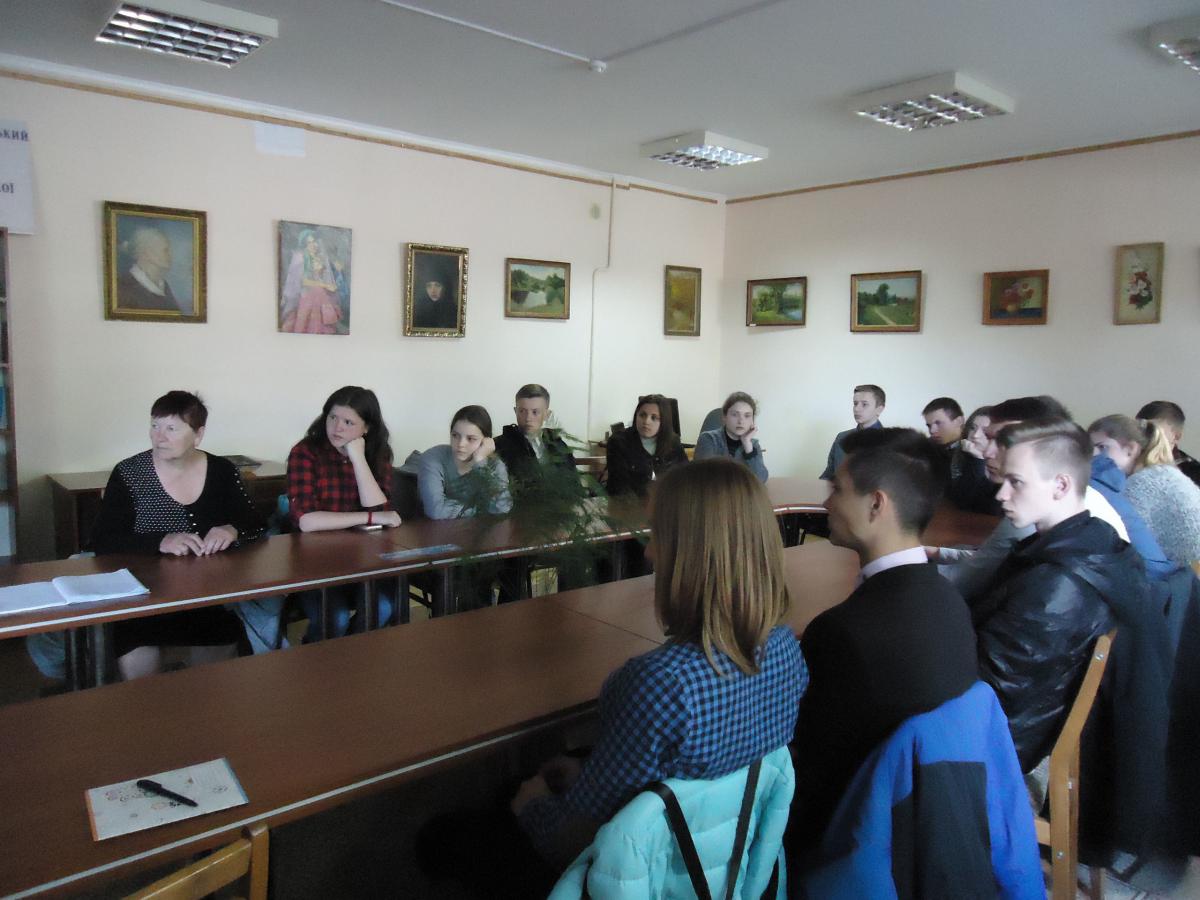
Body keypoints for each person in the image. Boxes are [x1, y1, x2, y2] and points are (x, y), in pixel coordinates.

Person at [515, 459, 807, 870]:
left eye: (657, 535)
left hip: (646, 874)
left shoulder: (660, 685)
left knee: (452, 832)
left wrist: (530, 804)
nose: (649, 552)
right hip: (730, 865)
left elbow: (573, 839)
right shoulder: (786, 650)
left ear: (693, 552)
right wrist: (590, 769)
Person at [787, 427, 978, 852]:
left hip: (851, 840)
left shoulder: (843, 632)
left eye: (837, 489)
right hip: (922, 826)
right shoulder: (950, 601)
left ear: (876, 504)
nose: (826, 504)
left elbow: (808, 764)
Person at [973, 418, 1145, 772]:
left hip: (1003, 745)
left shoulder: (1057, 585)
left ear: (1061, 485)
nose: (1001, 494)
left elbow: (991, 693)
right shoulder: (1094, 540)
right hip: (1022, 725)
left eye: (1015, 482)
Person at [89, 391, 272, 679]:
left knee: (218, 665)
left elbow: (255, 523)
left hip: (206, 597)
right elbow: (103, 540)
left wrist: (232, 529)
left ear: (198, 435)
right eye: (155, 426)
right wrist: (160, 541)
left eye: (171, 428)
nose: (159, 437)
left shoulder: (222, 471)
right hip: (144, 599)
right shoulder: (129, 473)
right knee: (140, 671)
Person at [930, 395, 1167, 598]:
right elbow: (995, 560)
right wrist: (936, 552)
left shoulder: (1044, 503)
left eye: (1002, 440)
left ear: (1043, 440)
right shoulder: (1077, 486)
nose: (988, 451)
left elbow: (964, 582)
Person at [287, 385, 401, 640]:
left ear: (366, 428)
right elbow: (307, 520)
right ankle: (318, 657)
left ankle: (350, 655)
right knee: (335, 619)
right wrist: (369, 518)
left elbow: (379, 509)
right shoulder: (305, 452)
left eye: (348, 422)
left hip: (364, 558)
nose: (337, 428)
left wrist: (358, 458)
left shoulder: (377, 453)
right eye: (332, 417)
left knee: (383, 608)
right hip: (315, 560)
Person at [1089, 414, 1200, 569]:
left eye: (1102, 447)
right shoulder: (1162, 473)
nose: (1094, 456)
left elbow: (1125, 539)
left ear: (1131, 449)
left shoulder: (1142, 484)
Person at [493, 383, 581, 508]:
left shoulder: (557, 444)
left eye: (535, 412)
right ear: (515, 411)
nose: (528, 418)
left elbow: (574, 484)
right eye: (522, 411)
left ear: (547, 414)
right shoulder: (500, 445)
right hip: (520, 512)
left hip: (560, 511)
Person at [418, 405, 513, 519]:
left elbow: (502, 507)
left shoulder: (495, 466)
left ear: (486, 441)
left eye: (471, 439)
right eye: (455, 436)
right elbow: (436, 510)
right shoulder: (433, 458)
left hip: (479, 529)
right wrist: (481, 509)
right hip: (434, 528)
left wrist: (480, 462)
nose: (461, 444)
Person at [604, 394, 687, 497]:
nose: (646, 421)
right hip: (627, 503)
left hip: (666, 501)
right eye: (642, 415)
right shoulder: (619, 442)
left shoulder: (673, 442)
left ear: (664, 421)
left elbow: (685, 477)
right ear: (636, 416)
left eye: (654, 418)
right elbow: (620, 487)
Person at [279, 229, 346, 334]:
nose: (313, 245)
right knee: (317, 291)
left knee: (320, 292)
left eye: (314, 241)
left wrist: (336, 269)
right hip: (307, 293)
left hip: (319, 292)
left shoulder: (320, 257)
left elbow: (326, 275)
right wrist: (325, 285)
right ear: (304, 245)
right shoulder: (301, 258)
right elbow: (304, 281)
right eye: (309, 243)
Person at [694, 391, 768, 482]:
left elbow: (761, 479)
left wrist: (747, 446)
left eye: (747, 416)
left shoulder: (753, 444)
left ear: (752, 421)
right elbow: (703, 477)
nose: (741, 421)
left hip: (742, 491)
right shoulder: (708, 439)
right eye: (735, 415)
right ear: (724, 417)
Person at [819, 384, 885, 480]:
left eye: (864, 404)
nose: (857, 409)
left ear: (879, 409)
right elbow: (829, 474)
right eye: (855, 403)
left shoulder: (890, 442)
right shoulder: (841, 437)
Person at [116, 226, 185, 313]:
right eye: (165, 250)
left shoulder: (163, 286)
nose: (170, 255)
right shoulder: (124, 287)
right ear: (146, 253)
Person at [947, 405, 1001, 514]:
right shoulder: (960, 454)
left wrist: (979, 460)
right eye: (973, 428)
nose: (975, 435)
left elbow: (994, 507)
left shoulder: (1005, 460)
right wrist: (977, 460)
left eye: (985, 431)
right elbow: (962, 501)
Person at [1137, 400, 1200, 488]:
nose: (1145, 436)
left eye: (1153, 431)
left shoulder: (1194, 474)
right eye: (1140, 430)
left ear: (1176, 437)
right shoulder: (1125, 459)